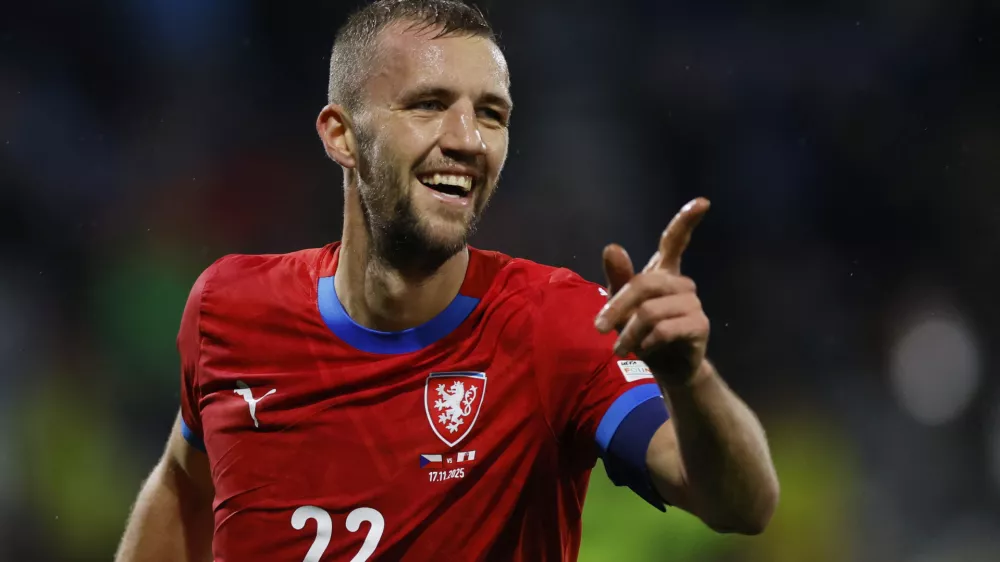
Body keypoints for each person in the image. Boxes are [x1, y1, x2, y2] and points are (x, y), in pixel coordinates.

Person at [115, 1, 779, 560]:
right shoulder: (229, 309)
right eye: (429, 105)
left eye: (491, 114)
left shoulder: (558, 325)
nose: (468, 138)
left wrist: (689, 379)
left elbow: (740, 504)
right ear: (341, 136)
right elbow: (185, 481)